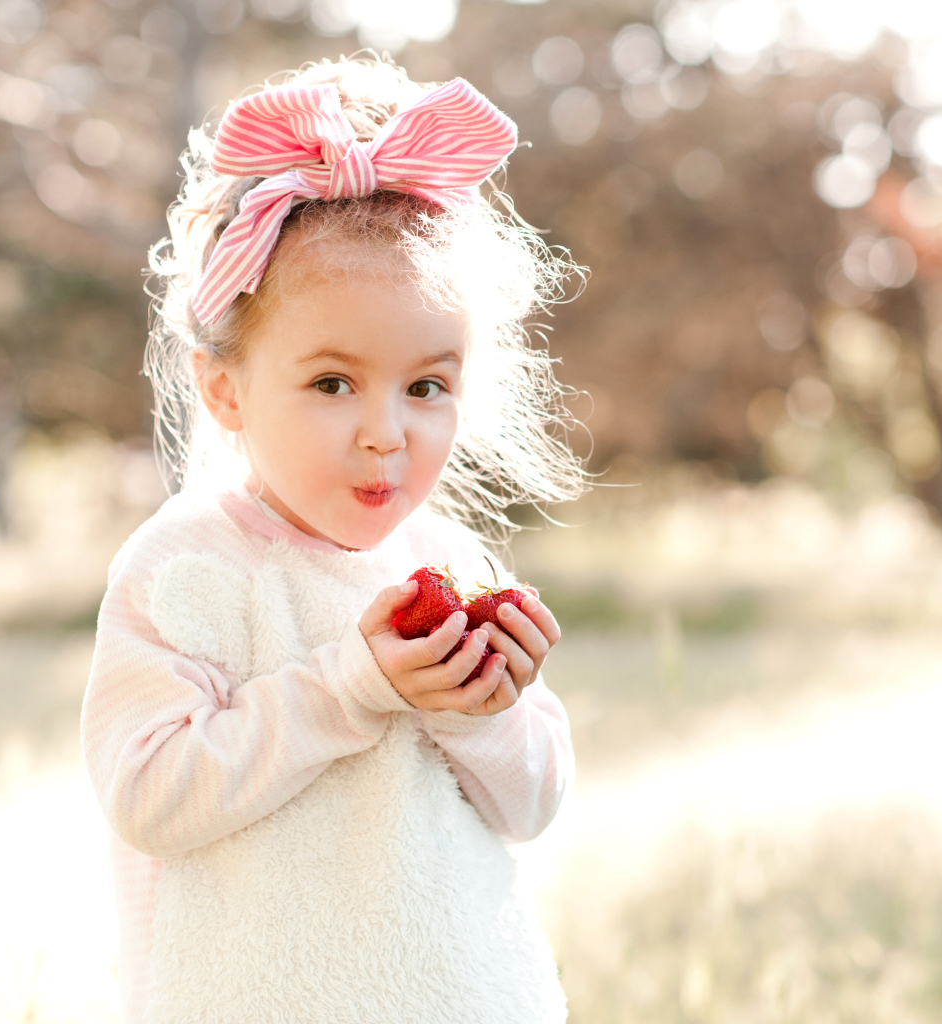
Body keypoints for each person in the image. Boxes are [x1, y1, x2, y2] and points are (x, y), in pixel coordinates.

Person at [79, 55, 587, 1024]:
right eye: (331, 382)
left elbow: (528, 805)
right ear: (225, 387)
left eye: (426, 385)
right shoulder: (187, 566)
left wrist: (486, 711)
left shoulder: (452, 566)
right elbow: (147, 794)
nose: (386, 431)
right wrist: (350, 687)